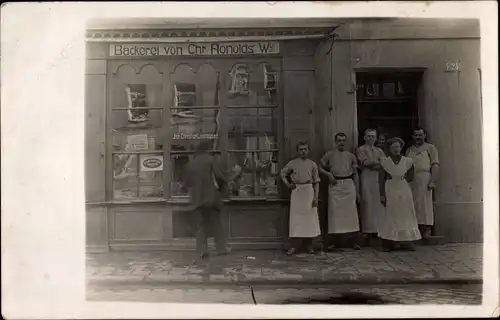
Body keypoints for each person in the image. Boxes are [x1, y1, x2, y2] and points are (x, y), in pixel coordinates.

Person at [183, 141, 230, 260]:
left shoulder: (190, 164)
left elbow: (186, 184)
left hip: (197, 200)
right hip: (211, 198)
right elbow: (219, 177)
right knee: (216, 224)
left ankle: (202, 250)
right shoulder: (211, 160)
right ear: (207, 150)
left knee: (200, 225)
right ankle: (221, 249)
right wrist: (223, 190)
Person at [378, 137, 422, 251]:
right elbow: (381, 180)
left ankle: (406, 241)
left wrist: (402, 180)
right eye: (393, 147)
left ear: (401, 148)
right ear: (390, 149)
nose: (396, 149)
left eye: (397, 147)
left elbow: (411, 176)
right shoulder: (385, 162)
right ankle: (389, 242)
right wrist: (382, 194)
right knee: (391, 214)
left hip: (403, 189)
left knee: (405, 213)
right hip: (390, 187)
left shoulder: (407, 161)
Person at [319, 133, 361, 251]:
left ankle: (353, 242)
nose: (341, 143)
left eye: (343, 140)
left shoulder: (351, 156)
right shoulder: (329, 154)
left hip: (348, 184)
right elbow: (318, 166)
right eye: (339, 140)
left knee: (351, 214)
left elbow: (356, 174)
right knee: (334, 215)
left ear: (346, 142)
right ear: (335, 142)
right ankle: (334, 242)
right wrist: (328, 175)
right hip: (335, 185)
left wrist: (357, 192)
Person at [280, 141, 321, 256]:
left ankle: (309, 245)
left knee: (309, 219)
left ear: (308, 151)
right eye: (301, 149)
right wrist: (288, 184)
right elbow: (282, 174)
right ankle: (294, 246)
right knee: (296, 219)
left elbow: (317, 182)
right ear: (298, 151)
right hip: (297, 191)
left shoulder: (312, 164)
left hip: (308, 191)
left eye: (305, 149)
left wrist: (316, 197)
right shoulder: (292, 163)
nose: (303, 151)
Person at [405, 127, 440, 239]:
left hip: (425, 177)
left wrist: (433, 181)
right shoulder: (409, 150)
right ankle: (416, 229)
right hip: (412, 178)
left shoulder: (430, 148)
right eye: (416, 135)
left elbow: (435, 164)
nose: (418, 137)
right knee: (413, 203)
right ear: (412, 137)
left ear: (424, 135)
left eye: (420, 135)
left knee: (425, 203)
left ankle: (427, 228)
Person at [356, 129, 385, 242]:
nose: (371, 138)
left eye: (373, 136)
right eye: (368, 136)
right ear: (364, 137)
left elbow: (384, 165)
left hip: (377, 177)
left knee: (378, 203)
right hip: (366, 177)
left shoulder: (379, 150)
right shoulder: (360, 149)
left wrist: (373, 164)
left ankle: (378, 229)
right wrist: (378, 162)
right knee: (367, 202)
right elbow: (366, 163)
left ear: (376, 138)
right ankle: (367, 230)